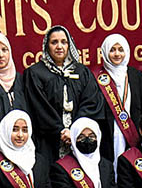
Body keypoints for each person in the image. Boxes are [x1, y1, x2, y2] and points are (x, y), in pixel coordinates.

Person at [23, 25, 104, 164]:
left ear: (69, 45)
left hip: (79, 138)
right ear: (47, 46)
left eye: (63, 42)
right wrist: (60, 131)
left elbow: (91, 101)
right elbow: (39, 107)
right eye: (54, 42)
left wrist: (75, 131)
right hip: (49, 140)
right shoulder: (35, 73)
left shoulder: (81, 72)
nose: (59, 46)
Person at [95, 34, 142, 173]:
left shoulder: (136, 75)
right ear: (105, 52)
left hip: (133, 130)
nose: (117, 54)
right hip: (109, 132)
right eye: (112, 50)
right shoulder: (97, 77)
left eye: (120, 49)